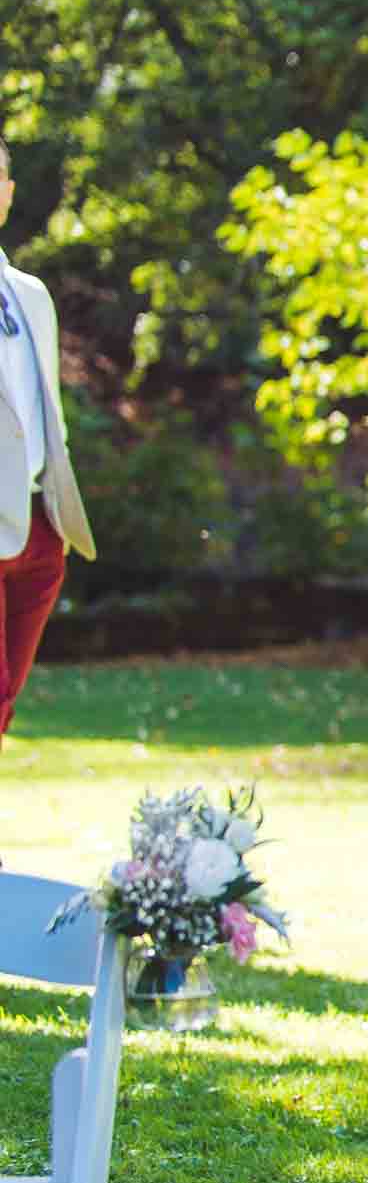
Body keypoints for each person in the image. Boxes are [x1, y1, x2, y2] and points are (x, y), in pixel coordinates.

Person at [0, 134, 97, 747]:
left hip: (39, 528)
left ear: (7, 194)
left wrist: (56, 522)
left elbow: (42, 411)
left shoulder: (31, 295)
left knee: (5, 704)